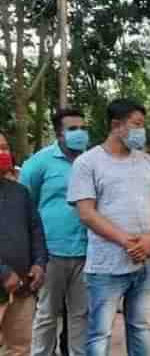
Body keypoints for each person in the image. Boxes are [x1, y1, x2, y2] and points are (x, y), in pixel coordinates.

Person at [67, 99, 150, 356]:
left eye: (142, 126)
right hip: (106, 266)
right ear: (115, 125)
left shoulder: (149, 162)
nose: (141, 132)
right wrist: (127, 241)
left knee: (141, 326)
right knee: (100, 332)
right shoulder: (87, 163)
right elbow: (86, 213)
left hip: (146, 262)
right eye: (136, 125)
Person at [20, 108, 90, 356]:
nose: (80, 133)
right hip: (51, 252)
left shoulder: (90, 160)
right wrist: (33, 254)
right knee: (47, 314)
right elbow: (25, 206)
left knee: (80, 316)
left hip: (86, 251)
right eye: (72, 129)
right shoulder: (39, 163)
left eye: (82, 127)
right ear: (58, 133)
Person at [0, 130, 48, 356]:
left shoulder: (20, 192)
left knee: (19, 348)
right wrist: (2, 273)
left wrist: (39, 263)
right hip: (5, 280)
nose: (4, 153)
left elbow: (36, 229)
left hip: (22, 285)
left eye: (5, 148)